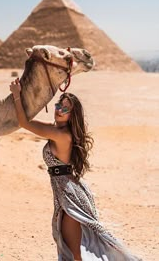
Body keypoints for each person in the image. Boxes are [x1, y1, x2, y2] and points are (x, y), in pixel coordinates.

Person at [10, 78, 141, 261]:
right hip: (68, 191)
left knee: (77, 253)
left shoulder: (60, 134)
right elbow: (29, 120)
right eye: (58, 105)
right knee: (75, 249)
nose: (59, 110)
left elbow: (25, 123)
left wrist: (16, 95)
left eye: (65, 109)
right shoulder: (56, 130)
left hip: (71, 196)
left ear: (72, 115)